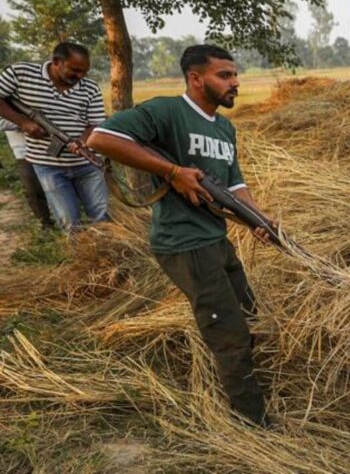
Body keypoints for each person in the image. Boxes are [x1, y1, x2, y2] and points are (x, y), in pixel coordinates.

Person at [87, 44, 274, 428]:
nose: (235, 82)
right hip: (184, 243)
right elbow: (101, 139)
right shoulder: (167, 111)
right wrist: (172, 171)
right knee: (229, 333)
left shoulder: (224, 127)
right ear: (195, 78)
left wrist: (259, 218)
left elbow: (234, 184)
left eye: (235, 75)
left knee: (250, 314)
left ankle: (251, 388)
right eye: (225, 75)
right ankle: (252, 422)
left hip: (214, 237)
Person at [0, 42, 108, 230]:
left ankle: (110, 256)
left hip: (87, 165)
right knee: (68, 222)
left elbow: (96, 124)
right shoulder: (21, 74)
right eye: (75, 70)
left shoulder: (90, 88)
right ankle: (79, 257)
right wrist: (23, 122)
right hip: (47, 167)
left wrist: (82, 142)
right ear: (57, 61)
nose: (80, 76)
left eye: (85, 71)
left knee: (101, 217)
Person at [1, 120, 54, 229]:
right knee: (33, 189)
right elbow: (2, 123)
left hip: (48, 147)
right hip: (23, 151)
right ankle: (46, 223)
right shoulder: (5, 105)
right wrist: (24, 123)